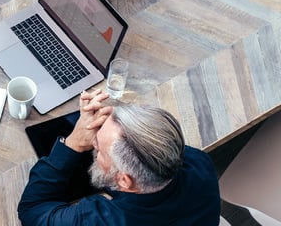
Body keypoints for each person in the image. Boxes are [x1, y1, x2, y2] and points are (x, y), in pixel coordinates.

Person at [18, 89, 221, 225]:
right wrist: (117, 125)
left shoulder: (101, 220)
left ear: (124, 180)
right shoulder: (198, 163)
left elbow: (33, 210)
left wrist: (74, 144)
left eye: (99, 149)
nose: (92, 143)